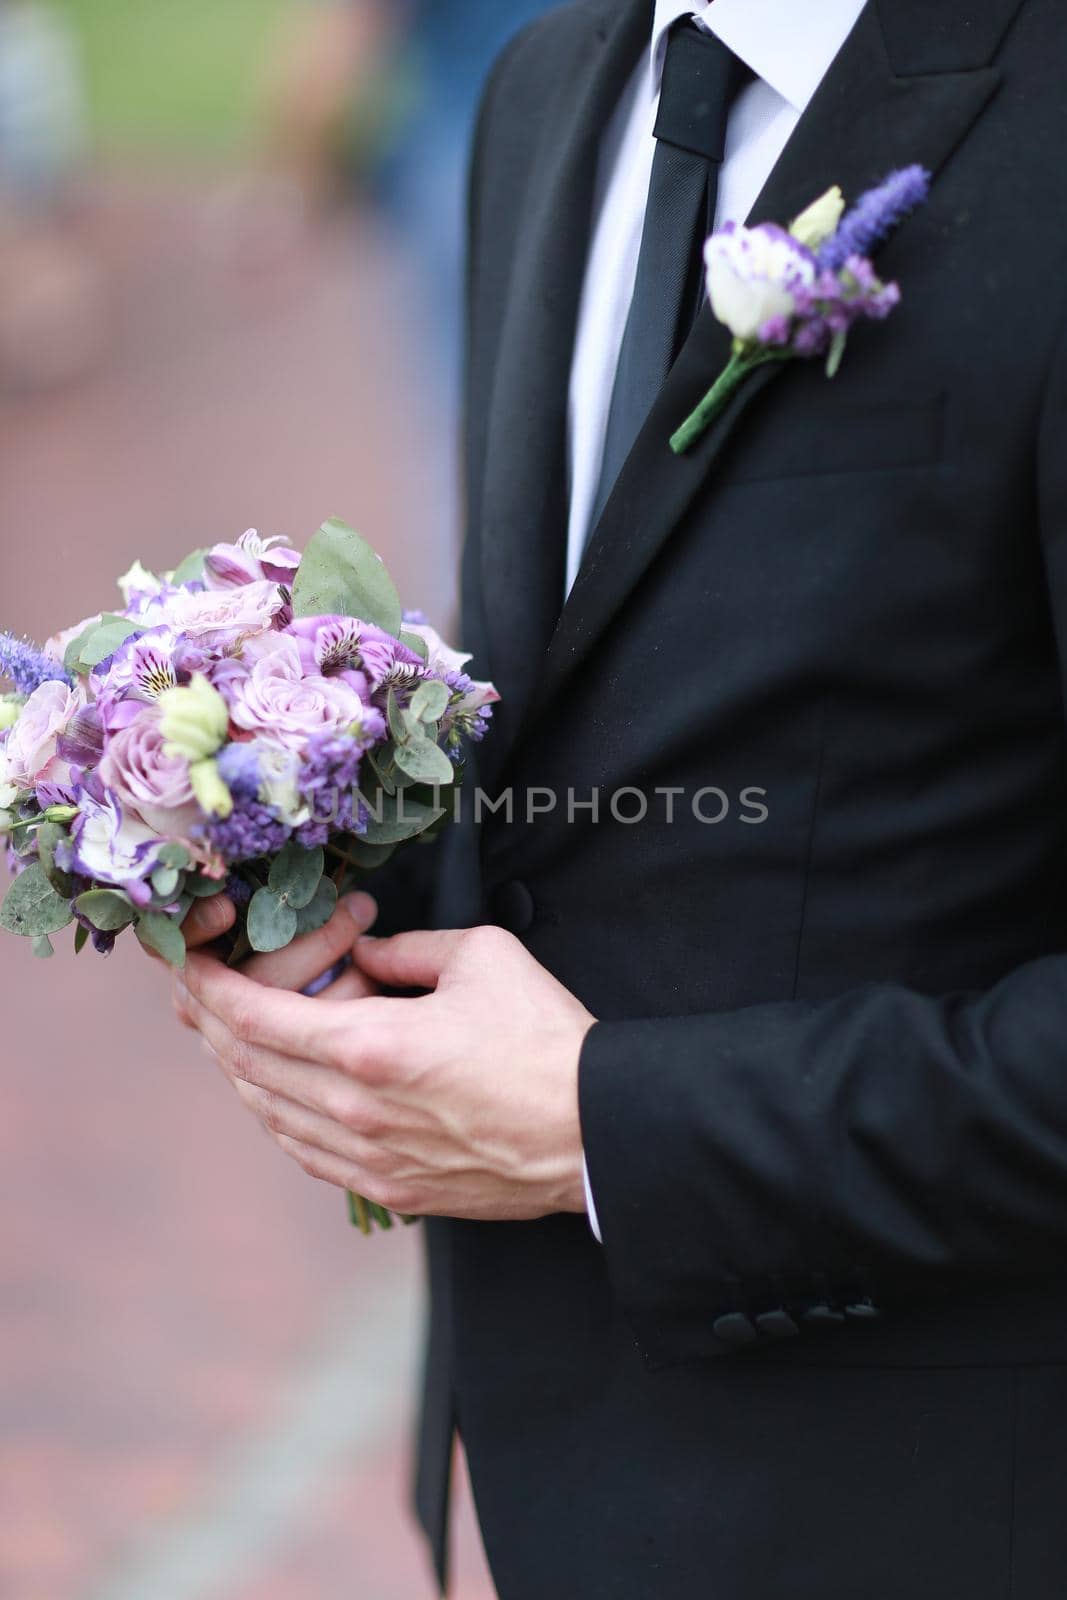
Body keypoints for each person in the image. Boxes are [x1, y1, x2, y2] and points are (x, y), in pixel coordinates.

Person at [174, 0, 1067, 1596]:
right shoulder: (548, 84)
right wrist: (298, 859)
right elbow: (625, 723)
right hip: (554, 1470)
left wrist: (610, 1130)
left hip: (942, 1495)